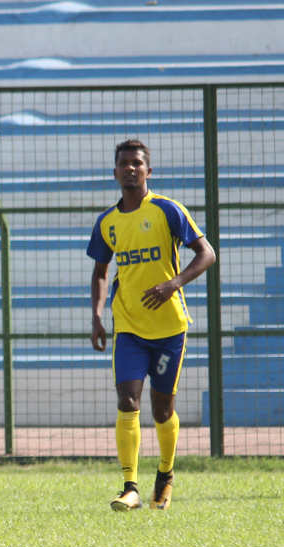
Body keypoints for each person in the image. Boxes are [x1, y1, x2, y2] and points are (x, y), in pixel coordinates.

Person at [87, 139, 216, 512]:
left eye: (137, 163)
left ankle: (165, 474)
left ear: (148, 171)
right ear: (115, 172)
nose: (130, 168)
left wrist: (173, 283)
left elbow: (206, 253)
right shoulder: (107, 222)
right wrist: (97, 316)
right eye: (124, 163)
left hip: (169, 329)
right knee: (128, 401)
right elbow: (100, 271)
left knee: (162, 410)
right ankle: (130, 486)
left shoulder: (167, 210)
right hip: (128, 326)